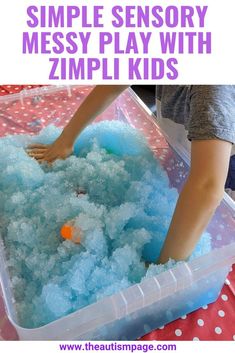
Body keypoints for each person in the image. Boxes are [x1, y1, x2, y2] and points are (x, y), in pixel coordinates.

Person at [27, 85, 235, 264]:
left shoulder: (212, 89)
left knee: (215, 224)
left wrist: (165, 267)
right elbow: (112, 85)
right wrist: (66, 140)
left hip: (221, 174)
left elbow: (207, 185)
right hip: (185, 149)